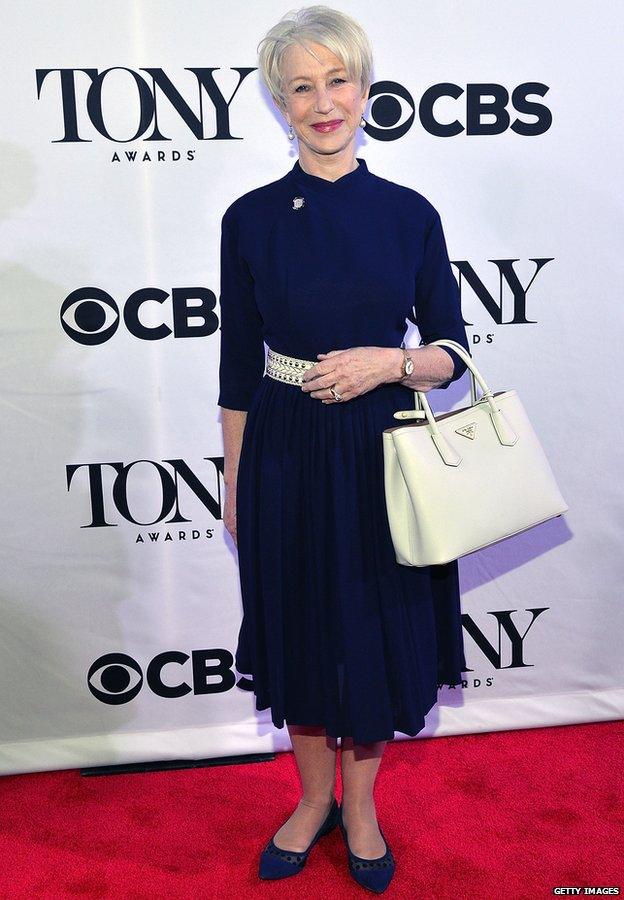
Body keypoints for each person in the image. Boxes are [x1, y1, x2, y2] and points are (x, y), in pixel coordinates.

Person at [217, 5, 471, 893]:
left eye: (338, 81)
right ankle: (313, 798)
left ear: (364, 91)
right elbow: (235, 368)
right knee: (300, 628)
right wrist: (236, 482)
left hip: (380, 452)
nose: (323, 102)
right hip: (283, 446)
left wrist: (389, 363)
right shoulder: (248, 219)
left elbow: (452, 350)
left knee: (365, 631)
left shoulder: (409, 213)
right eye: (301, 86)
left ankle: (361, 808)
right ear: (280, 104)